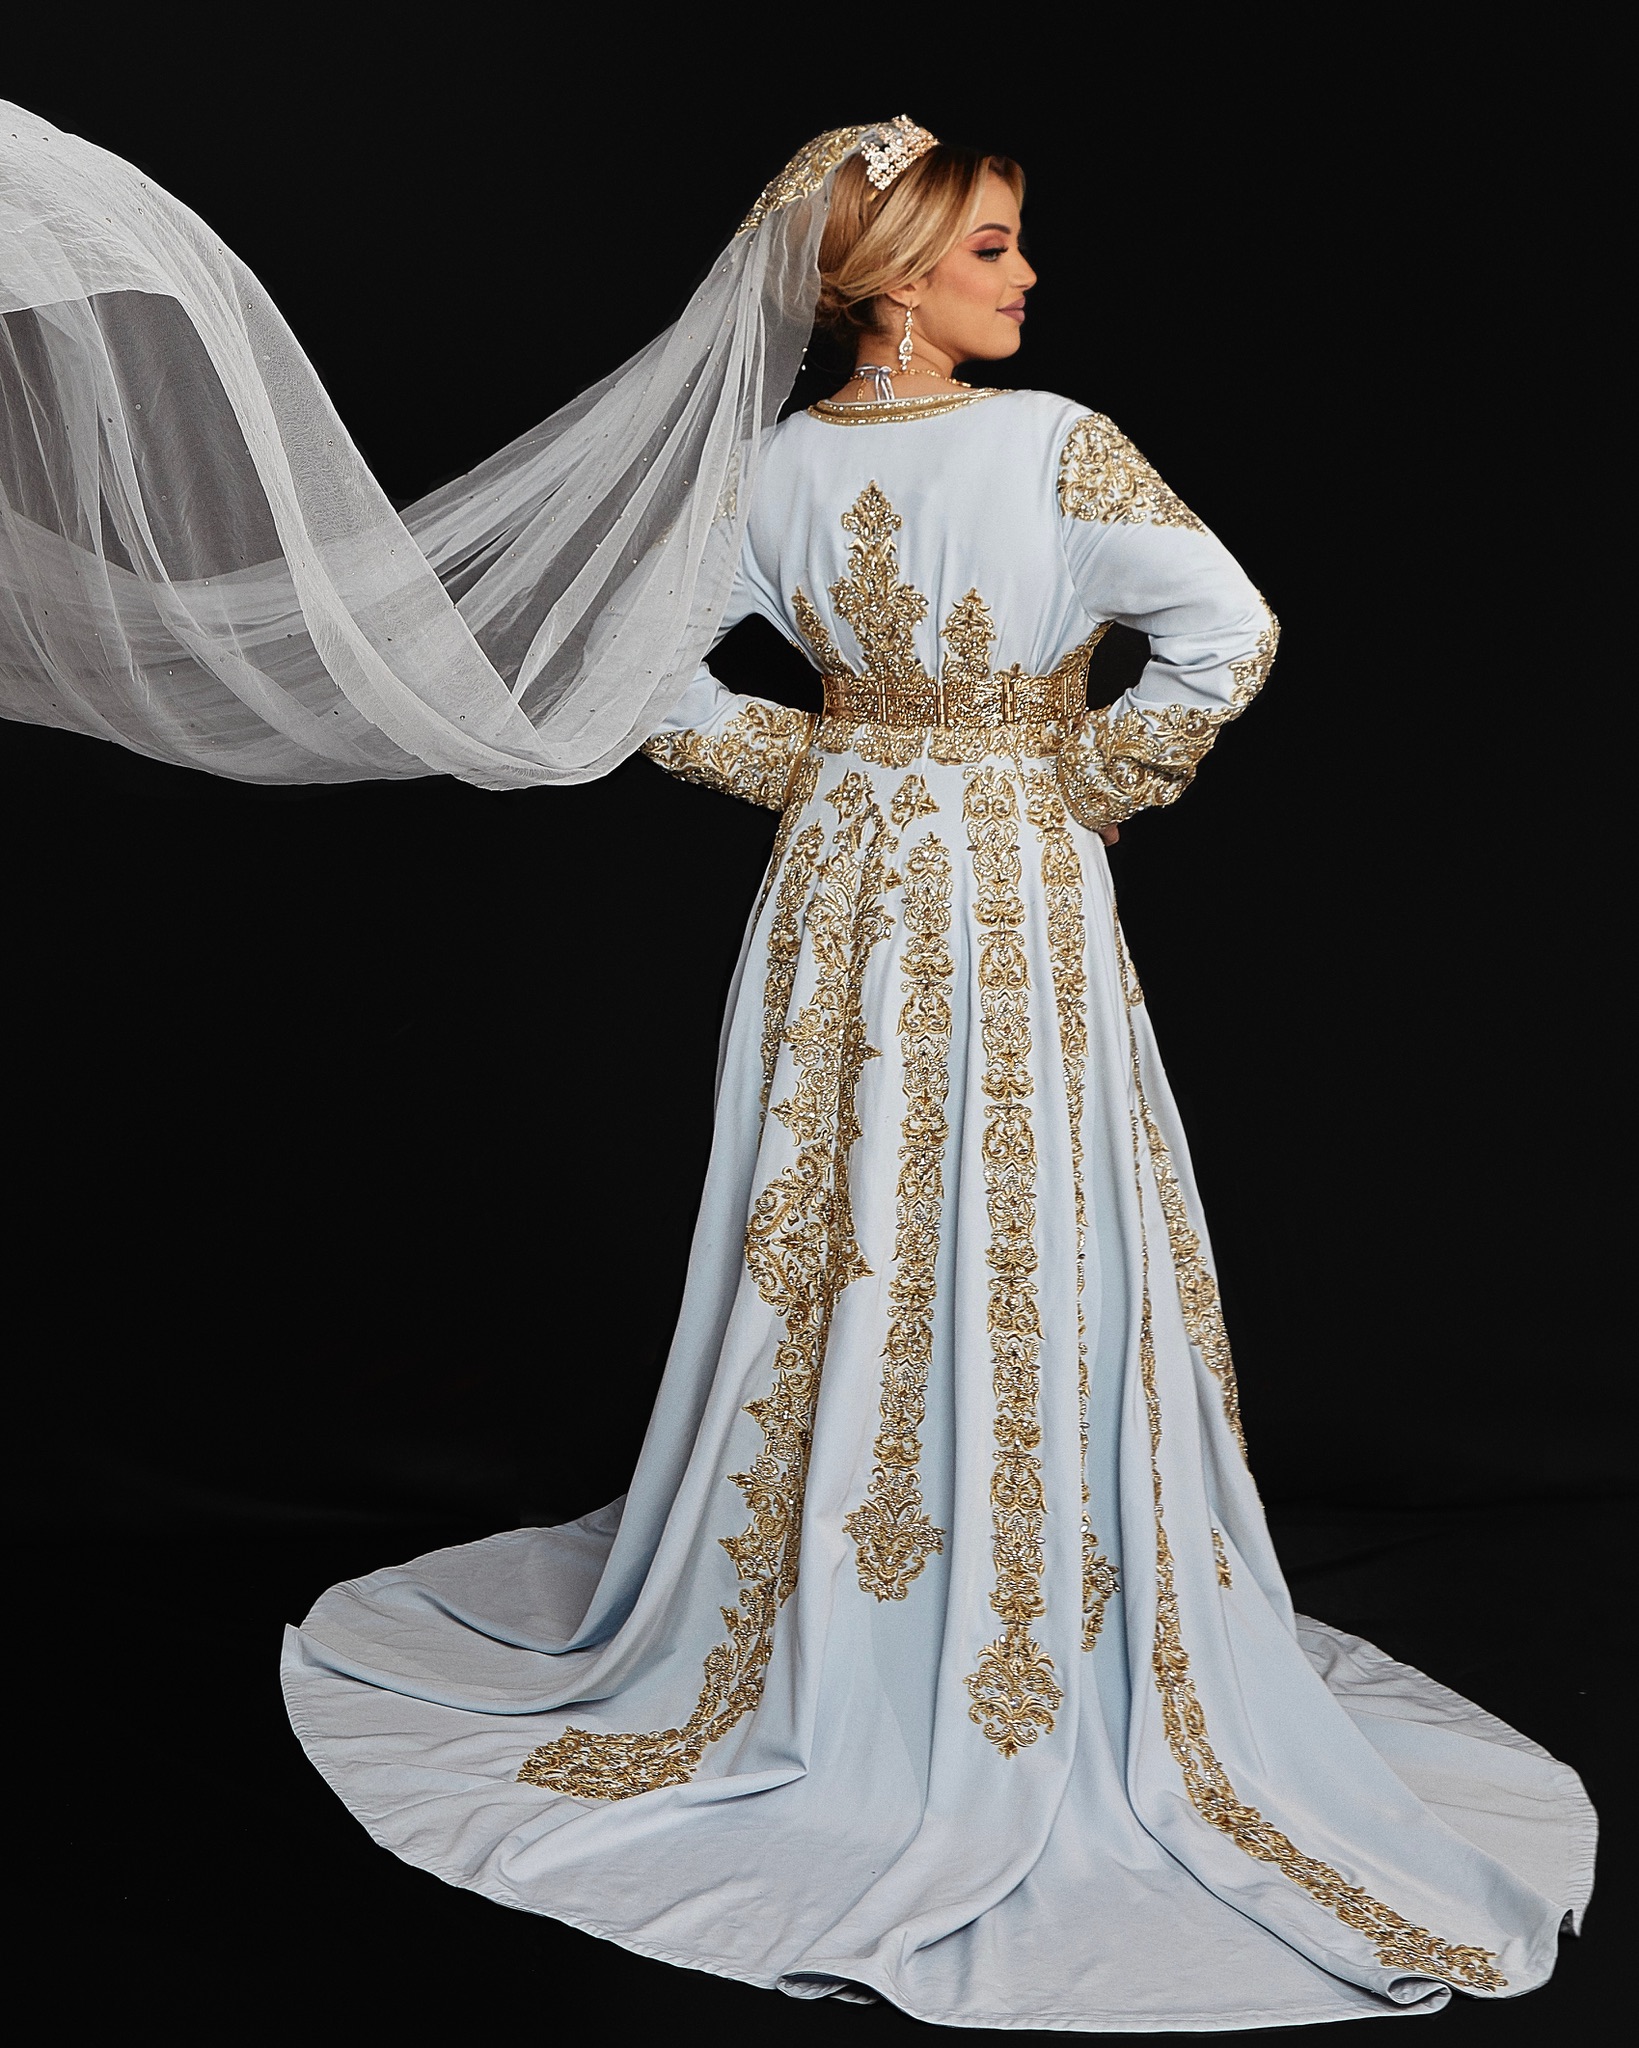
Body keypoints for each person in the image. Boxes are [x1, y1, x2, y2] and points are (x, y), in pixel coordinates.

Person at [0, 112, 1595, 2030]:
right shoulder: (1053, 443)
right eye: (990, 246)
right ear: (893, 280)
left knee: (848, 1215)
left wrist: (829, 766)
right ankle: (978, 1613)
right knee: (1010, 1208)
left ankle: (878, 1609)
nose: (1024, 277)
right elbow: (1225, 632)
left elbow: (648, 680)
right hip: (1003, 884)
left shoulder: (767, 467)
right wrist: (1073, 779)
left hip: (842, 885)